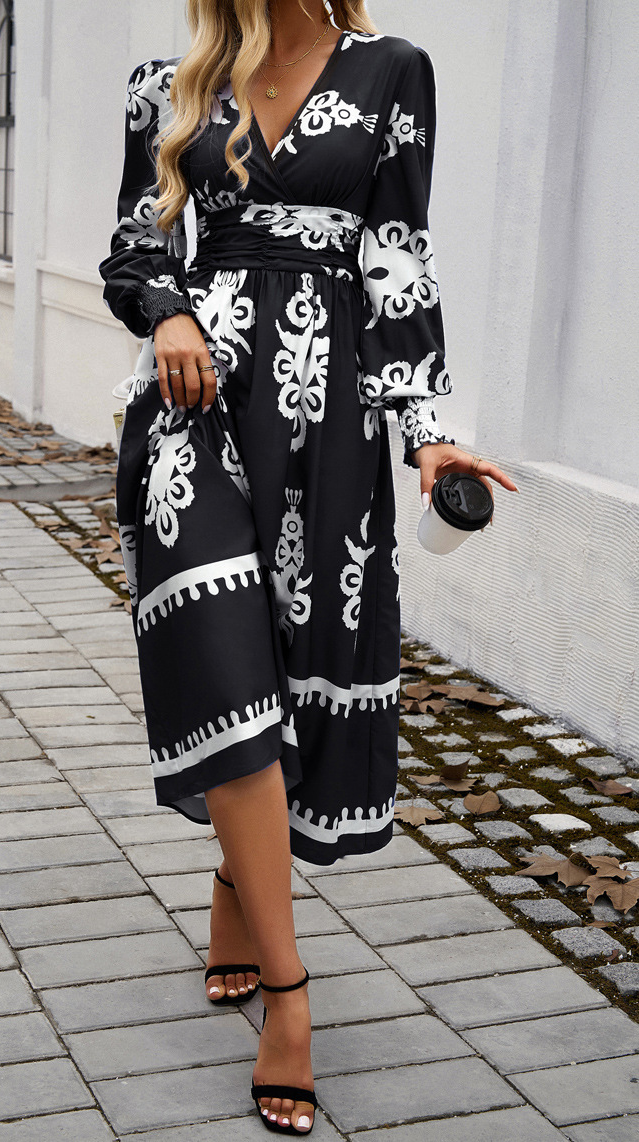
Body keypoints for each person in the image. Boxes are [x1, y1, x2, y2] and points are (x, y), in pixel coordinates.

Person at [99, 0, 518, 1133]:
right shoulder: (168, 82)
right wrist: (168, 310)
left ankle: (236, 881)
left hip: (329, 427)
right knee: (226, 671)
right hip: (194, 415)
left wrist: (429, 432)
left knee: (293, 672)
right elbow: (135, 240)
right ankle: (289, 998)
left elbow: (396, 256)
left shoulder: (392, 71)